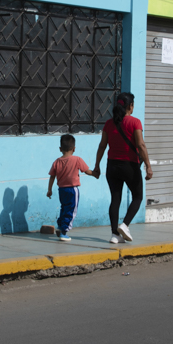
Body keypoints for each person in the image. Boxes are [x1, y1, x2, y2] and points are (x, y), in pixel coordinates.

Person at [95, 92, 153, 244]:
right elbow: (140, 145)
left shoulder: (108, 123)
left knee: (115, 198)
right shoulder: (135, 122)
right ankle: (125, 225)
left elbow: (102, 146)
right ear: (130, 106)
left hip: (112, 166)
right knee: (138, 196)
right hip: (129, 166)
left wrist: (96, 166)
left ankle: (115, 235)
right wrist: (148, 166)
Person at [46, 134, 99, 241]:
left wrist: (49, 189)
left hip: (61, 190)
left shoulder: (56, 162)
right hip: (73, 190)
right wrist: (95, 174)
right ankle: (64, 231)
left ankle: (61, 226)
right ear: (74, 149)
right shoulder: (77, 159)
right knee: (72, 210)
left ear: (60, 149)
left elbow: (52, 176)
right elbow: (87, 171)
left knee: (64, 207)